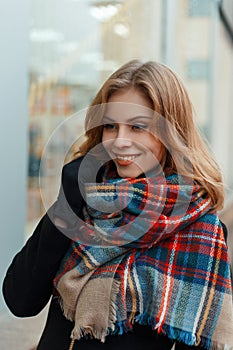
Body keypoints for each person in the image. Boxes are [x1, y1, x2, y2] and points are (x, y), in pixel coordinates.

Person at [2, 60, 233, 350]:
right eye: (111, 126)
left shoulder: (199, 230)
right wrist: (66, 206)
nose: (121, 141)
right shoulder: (84, 199)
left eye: (138, 127)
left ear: (171, 133)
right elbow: (20, 299)